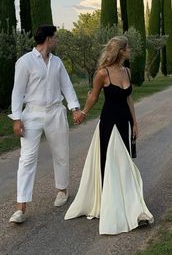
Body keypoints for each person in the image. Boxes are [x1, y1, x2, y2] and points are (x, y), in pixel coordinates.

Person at [65, 36, 154, 235]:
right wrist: (83, 113)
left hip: (125, 123)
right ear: (120, 51)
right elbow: (94, 96)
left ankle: (132, 208)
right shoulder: (102, 74)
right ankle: (114, 207)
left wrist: (135, 122)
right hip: (109, 124)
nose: (130, 50)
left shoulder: (127, 71)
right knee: (115, 165)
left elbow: (129, 98)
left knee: (125, 165)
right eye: (128, 47)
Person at [9, 25, 82, 224]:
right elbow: (17, 91)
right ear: (48, 39)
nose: (57, 40)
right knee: (27, 158)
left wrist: (74, 108)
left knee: (61, 152)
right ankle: (20, 207)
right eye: (55, 37)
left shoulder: (57, 62)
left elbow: (66, 85)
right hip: (32, 114)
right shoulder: (25, 62)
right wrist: (16, 118)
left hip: (56, 111)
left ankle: (62, 190)